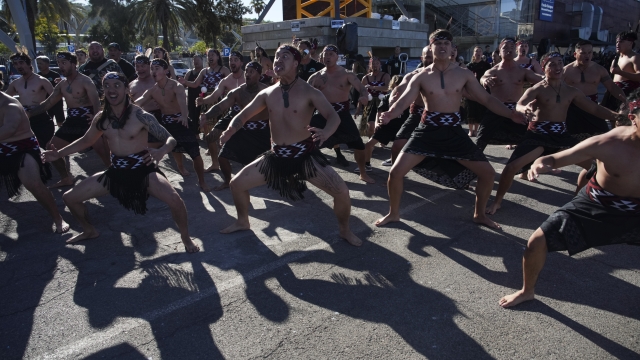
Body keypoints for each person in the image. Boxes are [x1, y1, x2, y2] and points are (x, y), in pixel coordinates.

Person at [498, 91, 640, 308]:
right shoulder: (607, 143)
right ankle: (527, 291)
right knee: (537, 241)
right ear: (633, 118)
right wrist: (541, 163)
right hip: (597, 203)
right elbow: (557, 157)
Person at [376, 29, 527, 229]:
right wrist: (388, 114)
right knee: (395, 173)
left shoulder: (463, 74)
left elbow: (487, 99)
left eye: (446, 44)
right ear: (431, 47)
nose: (442, 47)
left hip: (454, 131)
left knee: (488, 173)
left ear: (452, 48)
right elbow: (404, 102)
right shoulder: (420, 76)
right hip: (427, 130)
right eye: (438, 44)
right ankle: (393, 214)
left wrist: (511, 114)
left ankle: (479, 214)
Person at [217, 44, 362, 246]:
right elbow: (243, 115)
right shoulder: (267, 94)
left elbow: (333, 118)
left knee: (342, 192)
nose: (278, 60)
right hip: (276, 157)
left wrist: (325, 133)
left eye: (284, 57)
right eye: (276, 57)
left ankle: (345, 230)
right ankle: (243, 221)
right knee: (236, 184)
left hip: (305, 156)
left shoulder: (309, 91)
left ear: (296, 63)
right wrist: (230, 131)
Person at [41, 72, 200, 252]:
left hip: (144, 170)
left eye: (117, 85)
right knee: (69, 197)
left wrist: (161, 151)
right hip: (116, 172)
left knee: (175, 200)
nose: (112, 89)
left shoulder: (140, 115)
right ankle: (89, 230)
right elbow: (86, 141)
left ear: (126, 89)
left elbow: (170, 139)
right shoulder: (101, 118)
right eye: (107, 86)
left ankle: (186, 238)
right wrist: (58, 154)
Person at [485, 52, 619, 215]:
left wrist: (617, 116)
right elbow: (520, 103)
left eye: (560, 63)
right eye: (552, 64)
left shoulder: (572, 91)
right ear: (543, 68)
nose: (558, 67)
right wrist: (524, 109)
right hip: (538, 136)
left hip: (561, 136)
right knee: (510, 168)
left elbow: (595, 108)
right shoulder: (538, 89)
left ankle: (577, 201)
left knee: (595, 167)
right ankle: (497, 202)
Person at [26, 52, 109, 187]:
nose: (60, 66)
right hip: (72, 121)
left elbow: (96, 102)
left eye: (63, 63)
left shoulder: (85, 81)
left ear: (73, 63)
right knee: (51, 147)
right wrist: (29, 113)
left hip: (88, 120)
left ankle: (116, 174)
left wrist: (96, 118)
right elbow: (48, 103)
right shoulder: (62, 85)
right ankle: (66, 177)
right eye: (58, 63)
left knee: (102, 150)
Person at [0, 86, 69, 234]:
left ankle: (58, 218)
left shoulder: (9, 105)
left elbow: (9, 129)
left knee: (34, 184)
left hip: (21, 148)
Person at [134, 59, 210, 191]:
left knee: (195, 153)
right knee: (160, 148)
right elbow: (137, 103)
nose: (153, 71)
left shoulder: (176, 86)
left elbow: (182, 102)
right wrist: (121, 106)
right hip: (165, 123)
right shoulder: (152, 90)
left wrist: (184, 116)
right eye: (152, 68)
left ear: (166, 71)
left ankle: (202, 181)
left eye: (157, 68)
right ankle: (179, 168)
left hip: (181, 121)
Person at [199, 61, 270, 190]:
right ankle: (227, 181)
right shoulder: (238, 92)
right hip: (244, 130)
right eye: (246, 71)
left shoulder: (267, 91)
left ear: (259, 75)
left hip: (264, 132)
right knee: (223, 156)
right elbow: (221, 106)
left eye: (251, 72)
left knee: (278, 159)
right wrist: (206, 115)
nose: (247, 74)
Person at [307, 44, 373, 182]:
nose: (327, 57)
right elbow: (304, 96)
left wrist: (364, 97)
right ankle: (308, 172)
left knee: (359, 145)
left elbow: (362, 89)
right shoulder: (315, 77)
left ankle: (362, 173)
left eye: (331, 54)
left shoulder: (347, 74)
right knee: (305, 143)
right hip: (323, 114)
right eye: (325, 54)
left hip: (342, 114)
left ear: (337, 57)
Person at [477, 38, 544, 151]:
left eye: (512, 48)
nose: (509, 50)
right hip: (497, 109)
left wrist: (551, 76)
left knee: (531, 141)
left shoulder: (522, 71)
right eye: (505, 48)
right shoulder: (494, 70)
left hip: (517, 109)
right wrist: (485, 81)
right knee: (479, 142)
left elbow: (540, 79)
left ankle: (526, 166)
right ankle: (472, 166)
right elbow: (484, 77)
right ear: (500, 50)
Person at [564, 39, 627, 141]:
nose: (587, 55)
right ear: (575, 54)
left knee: (603, 137)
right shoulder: (566, 71)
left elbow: (611, 86)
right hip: (573, 109)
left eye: (590, 53)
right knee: (573, 140)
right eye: (583, 53)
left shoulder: (599, 70)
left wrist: (625, 100)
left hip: (593, 108)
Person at [194, 51, 246, 172]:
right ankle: (215, 163)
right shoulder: (225, 81)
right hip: (232, 113)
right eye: (230, 60)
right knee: (210, 137)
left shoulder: (248, 76)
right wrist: (203, 100)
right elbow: (214, 96)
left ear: (241, 63)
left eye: (235, 60)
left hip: (250, 114)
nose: (232, 62)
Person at [386, 46, 433, 167]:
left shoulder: (448, 75)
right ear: (421, 58)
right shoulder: (414, 75)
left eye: (433, 56)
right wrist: (392, 99)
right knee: (397, 145)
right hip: (417, 115)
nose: (431, 59)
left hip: (439, 118)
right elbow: (399, 89)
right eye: (428, 57)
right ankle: (395, 174)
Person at [6, 52, 55, 150]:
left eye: (21, 62)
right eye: (15, 64)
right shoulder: (15, 83)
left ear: (29, 64)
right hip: (24, 120)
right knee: (29, 150)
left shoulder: (42, 80)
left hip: (41, 119)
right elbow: (4, 99)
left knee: (46, 149)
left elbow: (56, 98)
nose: (18, 66)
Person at [363, 75, 408, 169]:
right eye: (398, 84)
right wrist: (377, 124)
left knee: (398, 148)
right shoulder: (387, 97)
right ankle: (366, 164)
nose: (401, 87)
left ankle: (394, 164)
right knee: (368, 145)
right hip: (387, 125)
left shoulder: (409, 99)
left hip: (403, 126)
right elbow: (379, 112)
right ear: (394, 85)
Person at [129, 55, 163, 147]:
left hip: (160, 117)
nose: (140, 69)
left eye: (143, 66)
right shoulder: (131, 85)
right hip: (140, 118)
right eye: (137, 66)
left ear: (149, 66)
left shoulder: (159, 81)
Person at [603, 31, 640, 111]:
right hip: (614, 92)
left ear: (630, 43)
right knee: (612, 118)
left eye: (621, 42)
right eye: (617, 42)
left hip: (629, 93)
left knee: (624, 120)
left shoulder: (635, 57)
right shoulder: (616, 58)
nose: (617, 44)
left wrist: (619, 72)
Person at [358, 57, 390, 140]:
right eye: (373, 64)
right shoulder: (365, 78)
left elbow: (387, 88)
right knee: (371, 124)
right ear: (370, 65)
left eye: (377, 63)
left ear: (380, 65)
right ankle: (371, 142)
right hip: (370, 104)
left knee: (382, 123)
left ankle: (381, 139)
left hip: (383, 102)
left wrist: (373, 87)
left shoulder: (385, 76)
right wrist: (358, 108)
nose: (375, 65)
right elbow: (362, 94)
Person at [465, 46, 492, 137]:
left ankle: (476, 130)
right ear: (473, 53)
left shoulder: (486, 65)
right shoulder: (469, 66)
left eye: (480, 51)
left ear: (482, 53)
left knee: (478, 110)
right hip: (470, 90)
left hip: (481, 90)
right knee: (470, 109)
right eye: (476, 51)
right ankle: (470, 130)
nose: (478, 53)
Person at [35, 55, 65, 127]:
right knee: (47, 122)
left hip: (56, 102)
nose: (39, 65)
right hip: (45, 103)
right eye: (38, 63)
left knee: (60, 122)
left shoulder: (54, 74)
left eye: (41, 63)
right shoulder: (37, 76)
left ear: (47, 64)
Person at [183, 55, 204, 129]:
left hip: (203, 98)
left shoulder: (205, 72)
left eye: (198, 60)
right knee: (192, 116)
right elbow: (183, 86)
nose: (196, 62)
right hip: (192, 98)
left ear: (202, 61)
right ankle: (194, 133)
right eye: (194, 60)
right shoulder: (189, 73)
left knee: (202, 115)